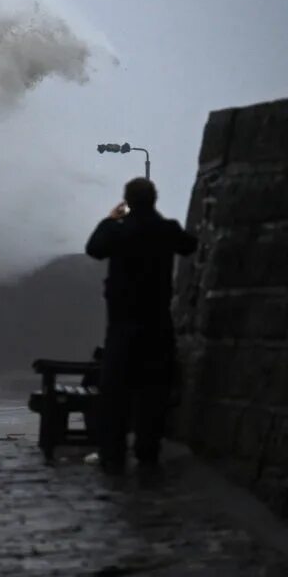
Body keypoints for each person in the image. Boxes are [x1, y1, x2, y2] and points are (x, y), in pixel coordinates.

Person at [85, 178, 197, 475]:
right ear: (155, 199)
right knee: (154, 390)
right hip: (157, 322)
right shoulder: (166, 230)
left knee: (115, 392)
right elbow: (190, 245)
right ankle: (147, 452)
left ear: (127, 201)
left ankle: (113, 455)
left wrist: (111, 219)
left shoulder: (118, 231)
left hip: (122, 324)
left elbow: (94, 249)